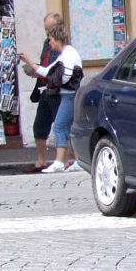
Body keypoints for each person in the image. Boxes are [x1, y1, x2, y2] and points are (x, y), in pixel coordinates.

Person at [20, 23, 83, 173]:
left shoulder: (69, 53)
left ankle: (60, 162)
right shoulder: (64, 54)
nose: (49, 42)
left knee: (60, 125)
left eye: (51, 39)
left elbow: (65, 75)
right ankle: (78, 161)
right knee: (67, 127)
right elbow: (47, 71)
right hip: (66, 94)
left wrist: (54, 82)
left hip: (69, 95)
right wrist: (28, 61)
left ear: (58, 39)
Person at [19, 13, 64, 172]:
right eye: (46, 29)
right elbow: (46, 64)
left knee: (61, 125)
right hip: (44, 89)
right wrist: (35, 70)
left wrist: (36, 70)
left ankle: (66, 160)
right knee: (39, 126)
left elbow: (54, 68)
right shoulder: (47, 42)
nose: (47, 33)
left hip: (56, 90)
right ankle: (41, 160)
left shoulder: (62, 46)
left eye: (49, 29)